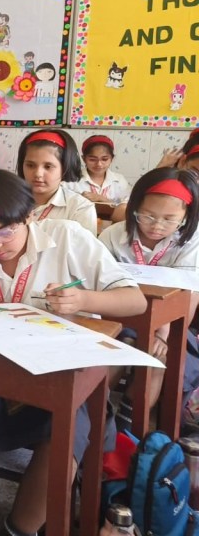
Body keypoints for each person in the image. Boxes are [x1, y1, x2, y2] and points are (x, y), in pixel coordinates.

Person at [0, 170, 145, 536]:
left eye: (5, 231)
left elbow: (134, 301)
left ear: (29, 215)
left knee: (66, 431)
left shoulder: (67, 238)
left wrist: (83, 299)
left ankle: (16, 530)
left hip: (61, 383)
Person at [99, 167, 199, 430]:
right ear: (134, 207)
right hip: (117, 315)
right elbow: (99, 284)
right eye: (148, 216)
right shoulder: (113, 236)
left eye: (169, 219)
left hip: (171, 324)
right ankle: (97, 416)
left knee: (156, 358)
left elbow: (189, 297)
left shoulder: (192, 243)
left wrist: (163, 335)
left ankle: (128, 427)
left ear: (186, 216)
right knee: (116, 347)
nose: (156, 226)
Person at [17, 128, 97, 234]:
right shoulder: (6, 201)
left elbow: (84, 245)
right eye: (30, 165)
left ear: (65, 167)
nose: (38, 174)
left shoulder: (80, 208)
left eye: (48, 166)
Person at [68, 135, 130, 206]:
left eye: (104, 159)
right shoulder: (71, 180)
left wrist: (102, 199)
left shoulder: (119, 180)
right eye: (92, 159)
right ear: (84, 159)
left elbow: (126, 205)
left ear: (112, 159)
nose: (99, 164)